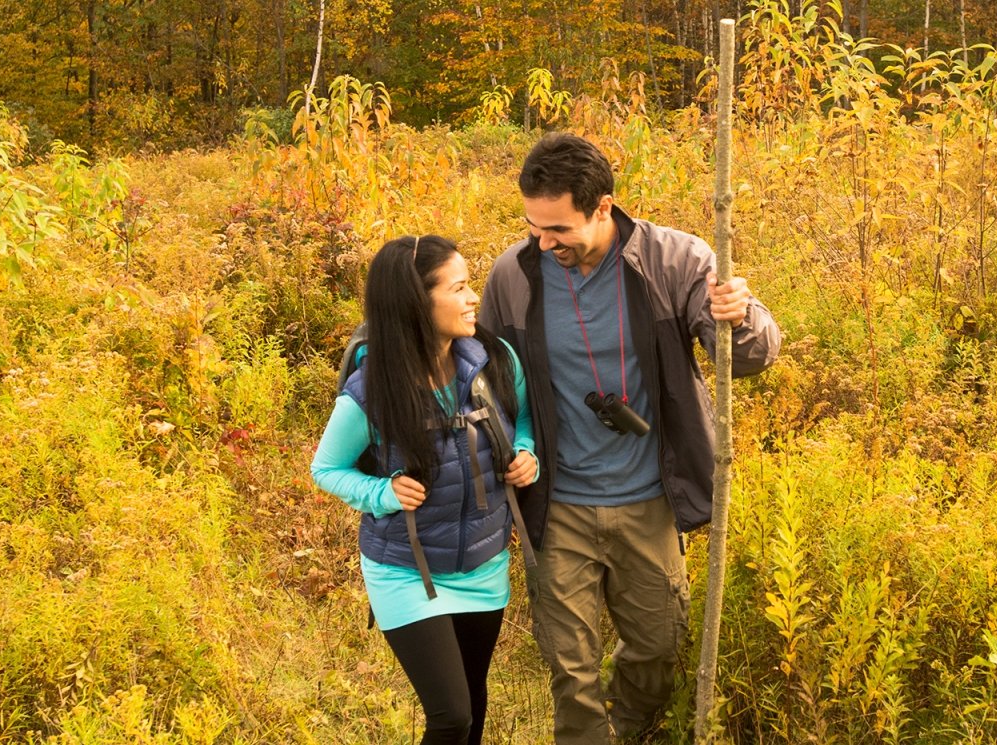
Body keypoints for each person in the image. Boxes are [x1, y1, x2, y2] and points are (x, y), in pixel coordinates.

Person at [479, 133, 782, 743]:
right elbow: (486, 379)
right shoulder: (514, 274)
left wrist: (739, 315)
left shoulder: (676, 260)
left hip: (649, 500)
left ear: (602, 206)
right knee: (570, 664)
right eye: (534, 226)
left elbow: (750, 358)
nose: (543, 242)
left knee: (657, 645)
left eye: (557, 229)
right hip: (556, 504)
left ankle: (632, 726)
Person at [312, 234, 539, 745]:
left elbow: (523, 422)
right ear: (418, 302)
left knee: (473, 702)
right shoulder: (373, 389)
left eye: (469, 284)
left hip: (483, 564)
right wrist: (383, 494)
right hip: (405, 571)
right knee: (451, 715)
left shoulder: (495, 362)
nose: (472, 298)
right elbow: (326, 469)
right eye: (458, 288)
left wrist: (527, 456)